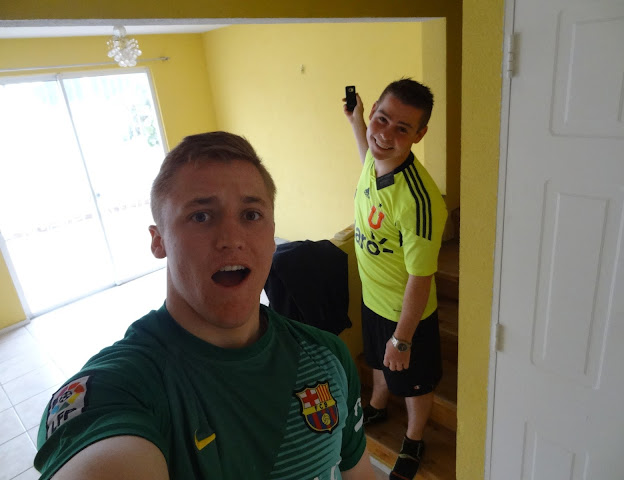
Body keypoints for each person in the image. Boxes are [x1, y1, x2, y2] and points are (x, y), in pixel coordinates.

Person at [34, 131, 375, 480]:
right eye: (201, 216)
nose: (232, 239)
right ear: (158, 240)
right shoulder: (122, 386)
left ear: (272, 232)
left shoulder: (328, 355)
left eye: (251, 215)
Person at [343, 79, 447, 480]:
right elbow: (368, 153)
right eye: (381, 119)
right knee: (376, 360)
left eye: (402, 128)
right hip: (373, 299)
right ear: (373, 112)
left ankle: (414, 439)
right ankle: (378, 405)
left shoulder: (419, 202)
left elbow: (422, 277)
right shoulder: (375, 159)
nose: (385, 134)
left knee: (415, 383)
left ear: (420, 135)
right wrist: (356, 121)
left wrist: (402, 339)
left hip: (407, 314)